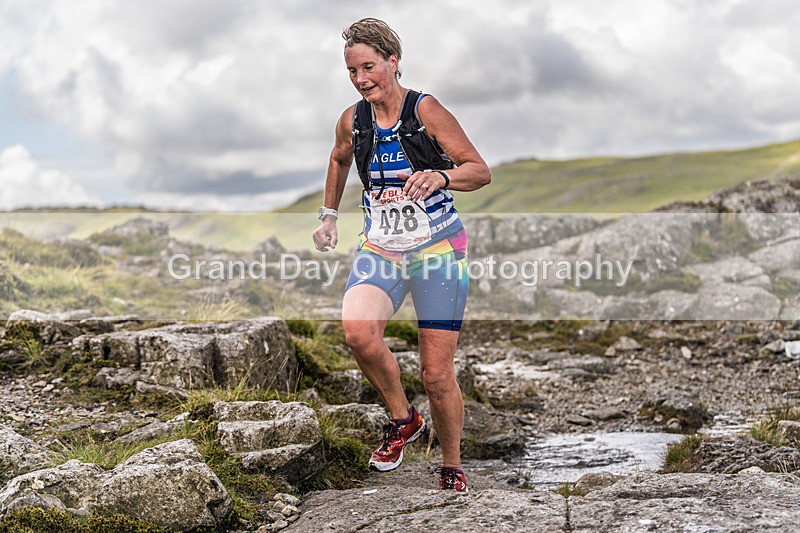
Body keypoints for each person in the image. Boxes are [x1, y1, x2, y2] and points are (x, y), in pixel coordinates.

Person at [312, 18, 490, 493]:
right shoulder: (353, 119)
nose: (361, 79)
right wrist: (329, 215)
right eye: (352, 71)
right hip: (382, 248)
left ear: (393, 61)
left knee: (436, 374)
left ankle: (451, 465)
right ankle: (403, 418)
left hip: (437, 250)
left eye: (369, 67)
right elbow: (339, 158)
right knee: (358, 333)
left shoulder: (425, 109)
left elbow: (479, 170)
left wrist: (441, 176)